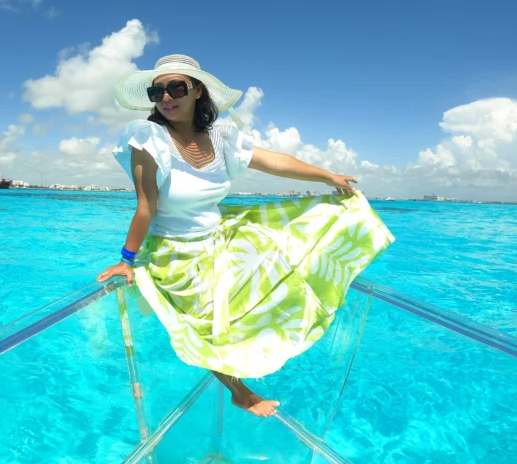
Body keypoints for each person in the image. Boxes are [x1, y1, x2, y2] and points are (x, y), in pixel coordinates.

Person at [97, 54, 394, 417]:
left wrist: (327, 177)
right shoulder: (148, 137)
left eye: (176, 87)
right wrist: (126, 260)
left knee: (281, 269)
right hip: (175, 256)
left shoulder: (221, 136)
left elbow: (274, 161)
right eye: (157, 91)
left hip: (221, 239)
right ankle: (240, 393)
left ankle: (257, 368)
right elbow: (146, 206)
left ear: (197, 92)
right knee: (208, 329)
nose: (166, 97)